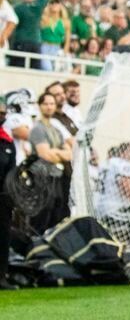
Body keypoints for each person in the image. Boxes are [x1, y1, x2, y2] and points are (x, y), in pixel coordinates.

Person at [27, 92, 73, 233]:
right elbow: (45, 155)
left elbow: (69, 154)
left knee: (56, 213)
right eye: (45, 104)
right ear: (40, 106)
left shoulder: (56, 130)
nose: (49, 107)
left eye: (51, 104)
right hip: (41, 177)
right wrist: (58, 153)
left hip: (56, 177)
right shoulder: (37, 129)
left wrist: (56, 153)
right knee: (41, 215)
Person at [95, 142, 130, 254]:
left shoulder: (106, 163)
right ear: (122, 153)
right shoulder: (123, 165)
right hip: (116, 213)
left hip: (100, 210)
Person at [10, 0, 48, 69]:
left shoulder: (18, 8)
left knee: (18, 68)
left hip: (21, 40)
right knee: (35, 69)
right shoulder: (39, 4)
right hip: (35, 40)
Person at [0, 101, 18, 290]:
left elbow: (11, 172)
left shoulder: (7, 142)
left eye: (3, 113)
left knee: (3, 237)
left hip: (2, 198)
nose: (1, 116)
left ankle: (1, 276)